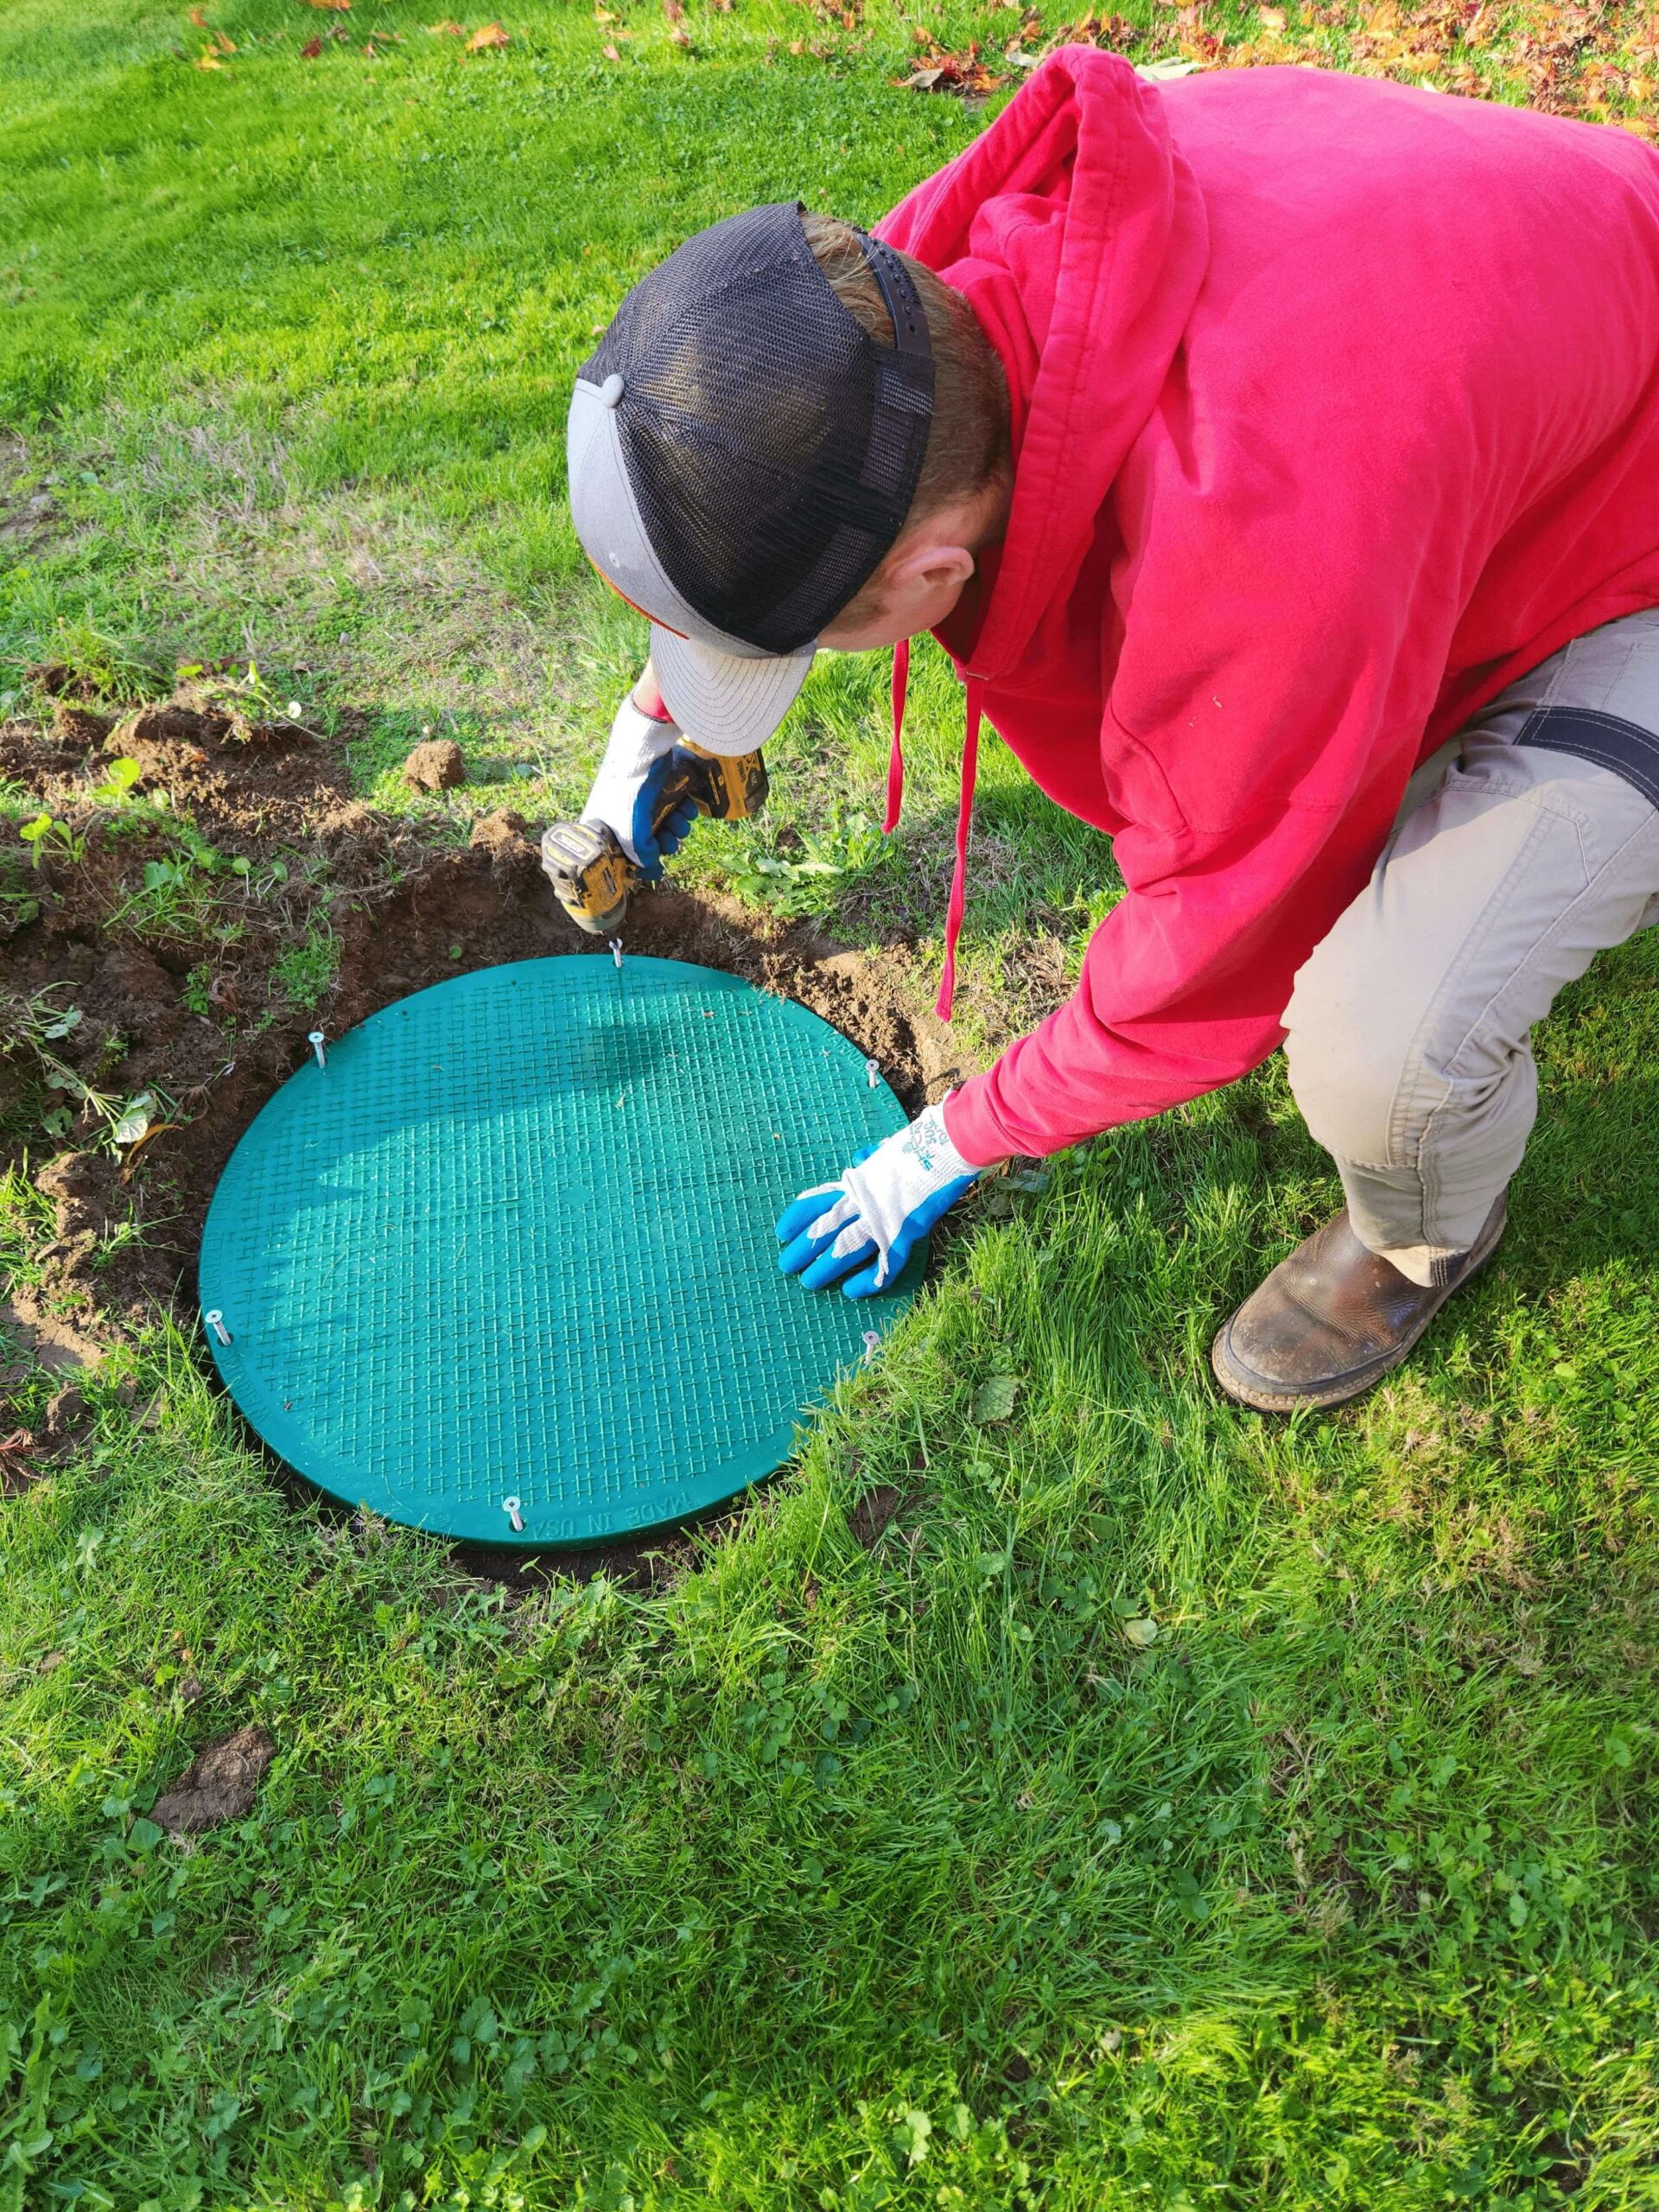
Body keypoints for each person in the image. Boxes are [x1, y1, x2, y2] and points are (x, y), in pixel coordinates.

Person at [565, 48, 1659, 1410]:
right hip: (1520, 372)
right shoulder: (891, 313)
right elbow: (728, 466)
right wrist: (658, 716)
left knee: (1380, 1045)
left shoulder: (1257, 564)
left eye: (808, 637)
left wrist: (952, 1142)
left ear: (930, 581)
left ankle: (1422, 1231)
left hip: (1626, 548)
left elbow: (1215, 940)